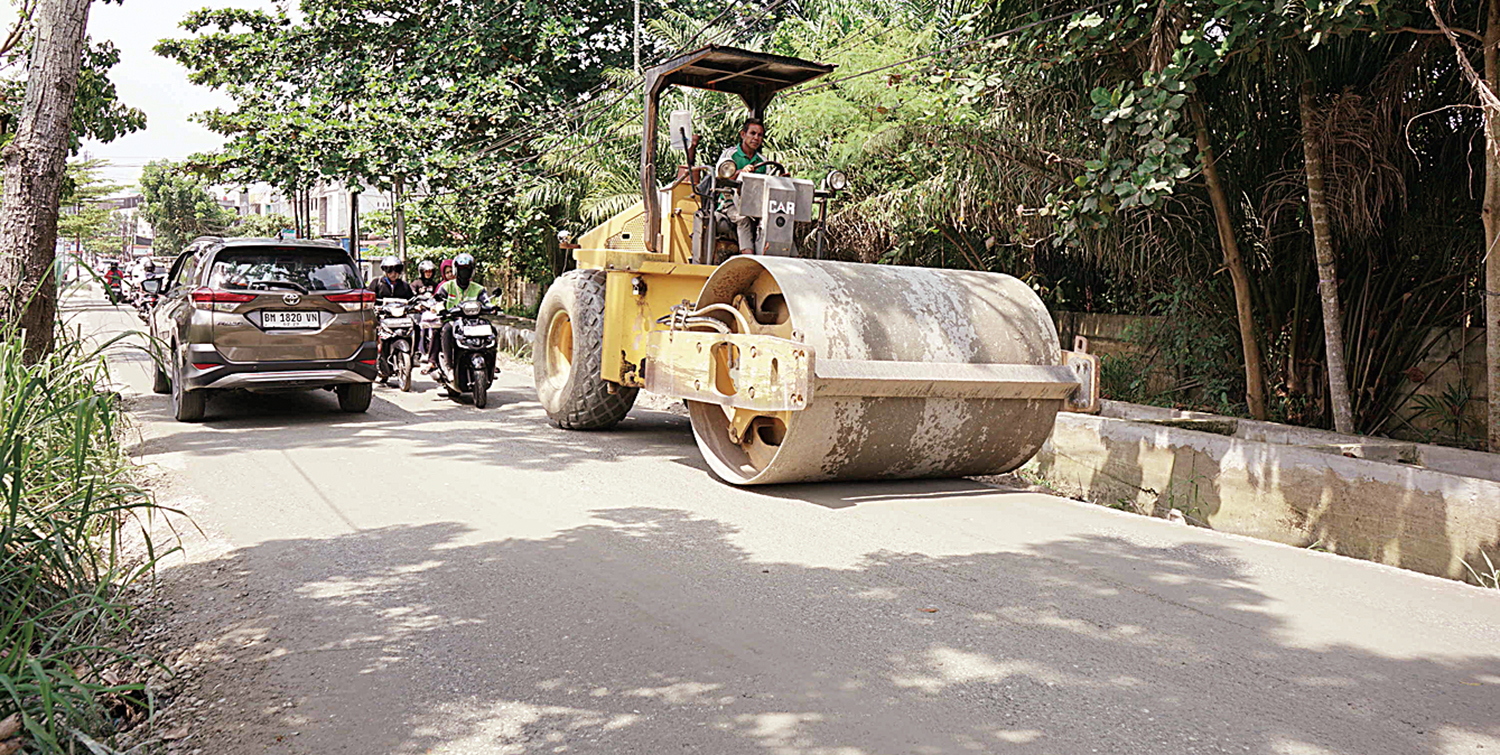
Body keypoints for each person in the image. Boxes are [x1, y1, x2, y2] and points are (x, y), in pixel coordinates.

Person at [691, 117, 770, 256]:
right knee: (743, 219)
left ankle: (776, 256)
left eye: (760, 135)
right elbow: (721, 177)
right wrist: (740, 172)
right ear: (743, 134)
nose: (756, 138)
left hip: (756, 205)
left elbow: (770, 183)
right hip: (730, 203)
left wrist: (780, 178)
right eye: (752, 133)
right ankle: (749, 258)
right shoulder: (730, 155)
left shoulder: (763, 161)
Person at [430, 252, 490, 374]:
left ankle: (490, 362)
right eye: (461, 269)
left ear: (472, 271)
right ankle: (449, 366)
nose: (464, 272)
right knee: (446, 330)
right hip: (453, 320)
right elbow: (438, 300)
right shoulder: (447, 286)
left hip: (474, 322)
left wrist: (492, 307)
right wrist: (441, 309)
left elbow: (486, 301)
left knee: (491, 330)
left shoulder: (478, 288)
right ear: (456, 270)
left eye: (467, 269)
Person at [411, 260, 440, 363]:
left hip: (432, 311)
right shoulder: (416, 284)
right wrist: (416, 305)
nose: (428, 273)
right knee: (416, 327)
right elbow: (411, 297)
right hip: (419, 312)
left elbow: (439, 297)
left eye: (430, 271)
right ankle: (416, 352)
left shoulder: (435, 284)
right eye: (426, 271)